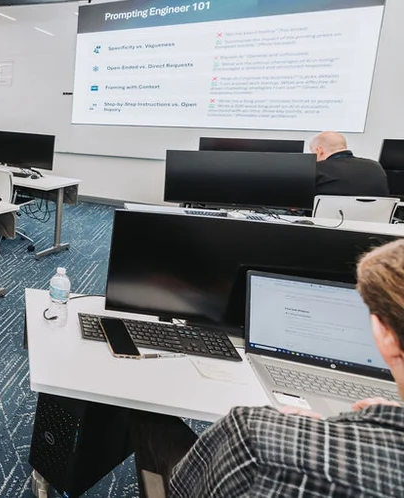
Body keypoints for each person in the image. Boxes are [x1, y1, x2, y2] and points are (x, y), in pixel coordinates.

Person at [168, 238, 404, 496]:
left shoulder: (254, 437)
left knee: (152, 421)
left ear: (385, 335)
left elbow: (182, 490)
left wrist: (292, 431)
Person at [311, 131, 389, 197]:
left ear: (319, 151)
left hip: (329, 214)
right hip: (374, 214)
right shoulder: (376, 166)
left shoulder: (317, 168)